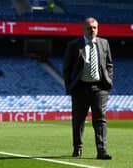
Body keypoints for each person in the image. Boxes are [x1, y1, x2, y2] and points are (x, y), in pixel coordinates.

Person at [63, 17, 113, 160]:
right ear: (83, 29)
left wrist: (108, 82)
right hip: (80, 88)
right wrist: (70, 87)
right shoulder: (74, 45)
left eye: (94, 28)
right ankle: (77, 148)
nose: (92, 30)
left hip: (99, 88)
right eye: (89, 28)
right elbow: (67, 68)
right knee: (78, 120)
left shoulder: (104, 43)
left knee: (100, 120)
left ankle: (102, 151)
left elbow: (109, 64)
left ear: (97, 29)